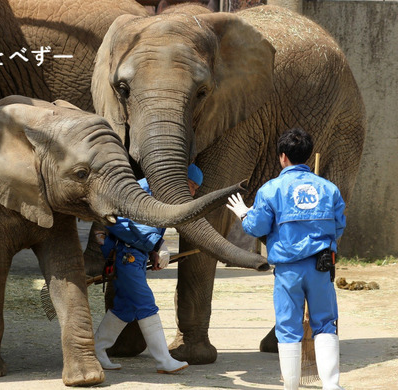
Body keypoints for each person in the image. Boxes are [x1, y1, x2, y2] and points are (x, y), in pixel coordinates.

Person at [226, 128, 346, 390]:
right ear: (307, 155)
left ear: (282, 157)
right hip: (321, 267)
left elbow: (257, 228)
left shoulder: (270, 190)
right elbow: (338, 227)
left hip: (288, 271)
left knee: (288, 328)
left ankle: (291, 386)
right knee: (325, 323)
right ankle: (332, 385)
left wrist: (245, 214)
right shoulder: (329, 189)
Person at [93, 163, 203, 373]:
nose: (191, 192)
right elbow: (114, 221)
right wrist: (155, 244)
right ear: (179, 179)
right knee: (146, 304)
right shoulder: (141, 189)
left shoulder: (160, 193)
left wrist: (154, 249)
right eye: (190, 186)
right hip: (127, 256)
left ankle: (96, 351)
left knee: (125, 309)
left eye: (195, 190)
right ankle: (164, 361)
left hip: (136, 257)